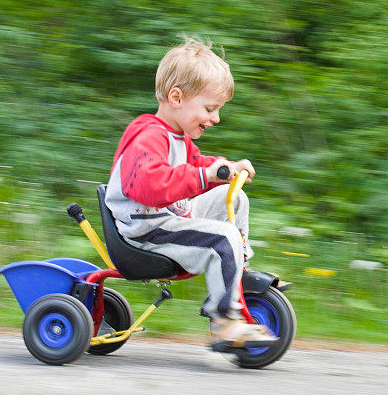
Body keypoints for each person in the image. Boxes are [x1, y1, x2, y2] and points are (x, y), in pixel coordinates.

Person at [104, 37, 277, 347]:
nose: (216, 118)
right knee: (224, 237)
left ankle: (236, 272)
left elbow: (199, 167)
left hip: (166, 218)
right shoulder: (148, 136)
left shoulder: (177, 139)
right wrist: (203, 174)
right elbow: (150, 186)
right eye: (210, 108)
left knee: (235, 198)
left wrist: (227, 169)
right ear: (176, 97)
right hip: (145, 231)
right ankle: (224, 321)